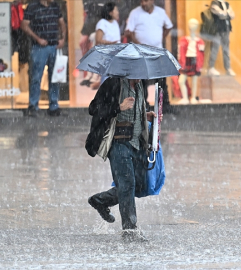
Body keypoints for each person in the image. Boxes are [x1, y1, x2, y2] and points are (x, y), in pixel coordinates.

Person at [86, 77, 157, 242]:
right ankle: (130, 230)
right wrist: (118, 107)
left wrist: (144, 115)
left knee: (138, 184)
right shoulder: (113, 84)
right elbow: (94, 108)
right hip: (118, 142)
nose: (140, 74)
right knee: (127, 185)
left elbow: (133, 113)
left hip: (137, 142)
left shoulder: (140, 86)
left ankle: (100, 201)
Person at [21, 0, 66, 117]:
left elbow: (62, 22)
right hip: (39, 47)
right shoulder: (33, 7)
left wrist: (62, 38)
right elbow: (24, 25)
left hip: (53, 46)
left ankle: (53, 106)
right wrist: (37, 38)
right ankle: (33, 105)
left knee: (55, 77)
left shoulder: (55, 6)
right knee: (36, 77)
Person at [126, 0, 173, 111]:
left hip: (157, 52)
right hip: (141, 54)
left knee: (161, 80)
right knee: (142, 81)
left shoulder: (160, 12)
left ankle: (164, 104)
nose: (143, 3)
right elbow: (129, 32)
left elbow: (169, 26)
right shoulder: (135, 13)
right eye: (142, 1)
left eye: (146, 1)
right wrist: (139, 45)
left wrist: (161, 37)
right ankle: (143, 105)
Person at [207, 0, 235, 76]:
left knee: (226, 49)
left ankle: (228, 68)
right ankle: (211, 67)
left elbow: (233, 15)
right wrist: (227, 13)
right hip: (217, 30)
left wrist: (225, 14)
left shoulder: (227, 3)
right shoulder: (214, 3)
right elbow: (220, 14)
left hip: (226, 29)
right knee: (215, 48)